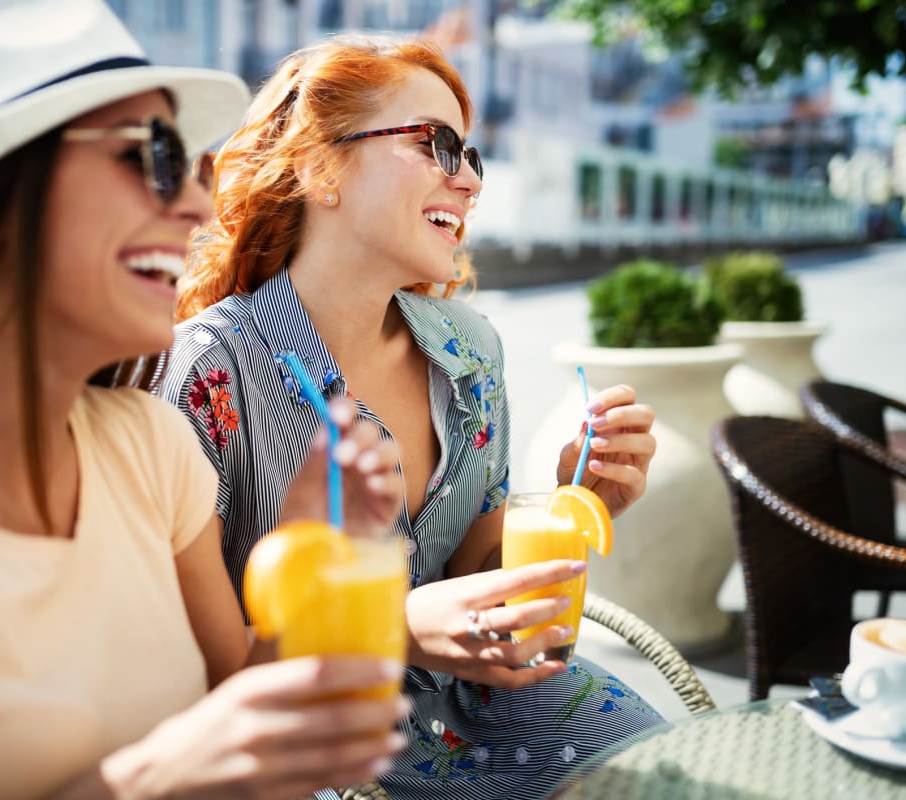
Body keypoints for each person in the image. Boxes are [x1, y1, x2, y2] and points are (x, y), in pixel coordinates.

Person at [0, 3, 412, 799]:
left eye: (196, 169)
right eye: (151, 156)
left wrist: (311, 545)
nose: (195, 208)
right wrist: (142, 784)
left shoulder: (151, 445)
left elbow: (240, 710)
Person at [158, 36, 663, 800]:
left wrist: (570, 501)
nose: (467, 182)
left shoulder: (470, 351)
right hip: (317, 743)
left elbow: (474, 579)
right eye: (438, 145)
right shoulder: (206, 375)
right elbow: (204, 678)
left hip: (491, 709)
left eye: (471, 157)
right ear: (321, 167)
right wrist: (390, 623)